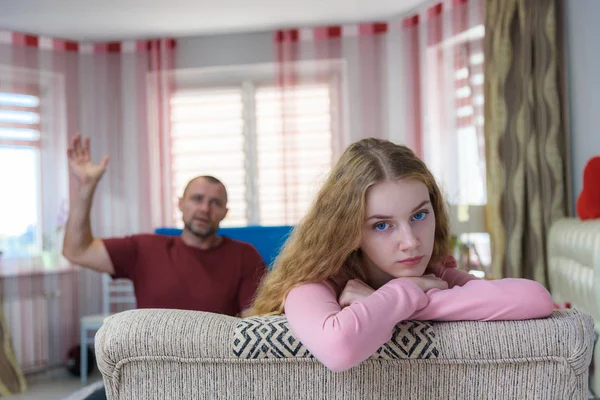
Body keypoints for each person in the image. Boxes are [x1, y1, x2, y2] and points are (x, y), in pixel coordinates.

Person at [248, 138, 553, 372]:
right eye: (382, 225)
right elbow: (339, 350)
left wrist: (392, 303)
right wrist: (405, 292)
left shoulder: (431, 276)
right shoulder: (315, 284)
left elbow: (534, 297)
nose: (410, 242)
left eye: (419, 216)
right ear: (349, 231)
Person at [62, 134, 267, 316]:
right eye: (197, 199)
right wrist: (87, 187)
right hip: (150, 358)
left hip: (215, 359)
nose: (205, 209)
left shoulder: (244, 256)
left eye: (215, 203)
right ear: (180, 204)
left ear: (225, 213)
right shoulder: (144, 248)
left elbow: (255, 322)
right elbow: (77, 251)